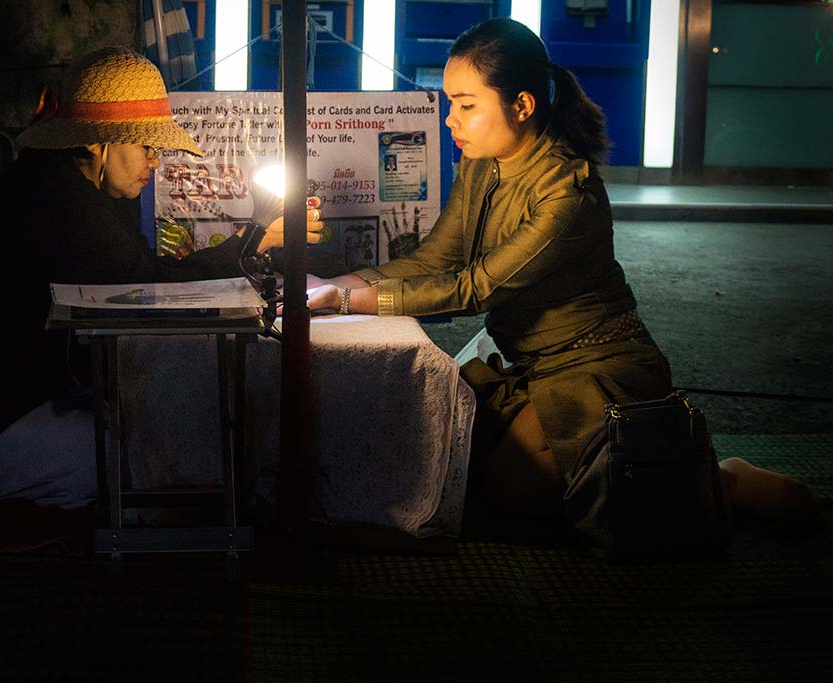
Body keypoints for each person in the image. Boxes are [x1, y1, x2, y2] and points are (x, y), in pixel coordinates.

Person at [304, 19, 819, 529]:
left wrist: (348, 303)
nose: (450, 121)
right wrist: (336, 285)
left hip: (595, 369)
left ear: (522, 105)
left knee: (513, 495)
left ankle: (721, 481)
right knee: (443, 458)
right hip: (526, 363)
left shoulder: (568, 191)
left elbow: (474, 289)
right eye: (450, 103)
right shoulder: (483, 164)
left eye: (467, 104)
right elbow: (436, 259)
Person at [0, 47, 323, 508]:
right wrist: (252, 239)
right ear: (100, 143)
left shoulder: (71, 186)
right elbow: (152, 286)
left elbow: (143, 272)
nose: (156, 162)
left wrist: (252, 239)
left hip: (15, 406)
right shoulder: (61, 202)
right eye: (146, 147)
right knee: (145, 456)